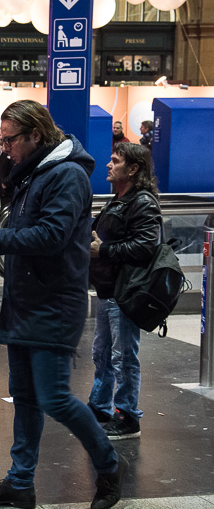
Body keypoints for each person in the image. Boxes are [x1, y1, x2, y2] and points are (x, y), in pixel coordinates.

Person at [0, 100, 127, 509]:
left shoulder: (66, 174)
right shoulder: (32, 173)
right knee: (25, 396)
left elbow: (51, 235)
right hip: (27, 299)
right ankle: (20, 482)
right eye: (1, 140)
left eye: (10, 139)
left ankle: (109, 465)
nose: (4, 148)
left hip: (54, 302)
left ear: (36, 135)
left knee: (53, 397)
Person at [88, 143, 161, 440]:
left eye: (115, 161)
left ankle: (128, 414)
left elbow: (146, 246)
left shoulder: (141, 202)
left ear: (133, 169)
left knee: (123, 357)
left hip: (125, 291)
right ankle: (100, 406)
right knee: (102, 354)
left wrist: (104, 249)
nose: (108, 164)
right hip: (109, 289)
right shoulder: (119, 199)